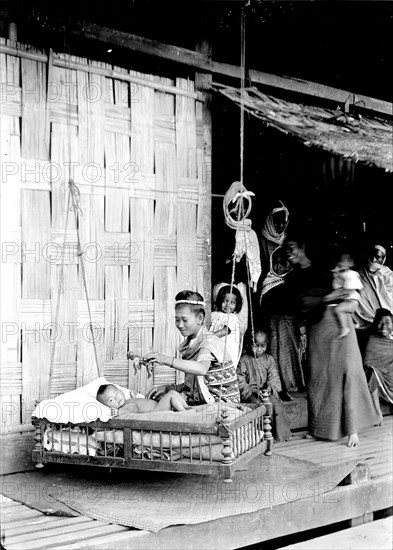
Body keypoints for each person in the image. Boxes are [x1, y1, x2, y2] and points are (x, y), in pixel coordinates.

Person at [285, 232, 380, 447]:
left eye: (292, 247)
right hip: (317, 329)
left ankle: (351, 429)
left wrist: (330, 298)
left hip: (338, 325)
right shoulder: (294, 277)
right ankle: (319, 428)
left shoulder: (322, 268)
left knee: (346, 372)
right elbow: (302, 304)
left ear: (302, 247)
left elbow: (343, 292)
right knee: (319, 378)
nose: (289, 253)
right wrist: (328, 297)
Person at [145, 290, 240, 404]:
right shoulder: (192, 343)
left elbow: (202, 369)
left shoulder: (208, 342)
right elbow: (197, 385)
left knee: (169, 402)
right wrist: (169, 387)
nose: (180, 325)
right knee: (164, 398)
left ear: (200, 318)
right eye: (177, 319)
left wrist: (165, 359)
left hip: (223, 406)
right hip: (206, 399)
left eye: (184, 320)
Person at [259, 246, 305, 400]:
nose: (278, 266)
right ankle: (277, 387)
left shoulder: (293, 281)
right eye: (276, 263)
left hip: (289, 324)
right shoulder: (267, 281)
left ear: (289, 264)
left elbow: (298, 306)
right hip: (271, 324)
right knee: (273, 355)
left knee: (289, 355)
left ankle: (292, 386)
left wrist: (301, 326)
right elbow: (263, 306)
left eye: (283, 263)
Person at [237, 329, 292, 442]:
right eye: (256, 345)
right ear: (249, 344)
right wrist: (253, 390)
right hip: (250, 393)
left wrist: (269, 388)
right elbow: (240, 381)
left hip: (266, 391)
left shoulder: (269, 359)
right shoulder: (244, 360)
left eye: (263, 346)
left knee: (276, 405)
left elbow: (274, 376)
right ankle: (260, 435)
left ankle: (281, 434)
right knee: (259, 406)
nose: (259, 349)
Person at [354, 244, 393, 355]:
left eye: (378, 257)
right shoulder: (359, 275)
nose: (374, 259)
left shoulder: (389, 276)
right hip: (367, 327)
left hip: (389, 327)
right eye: (372, 256)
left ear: (383, 259)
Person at [363, 308, 393, 426]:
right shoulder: (373, 339)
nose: (383, 326)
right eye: (380, 322)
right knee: (370, 372)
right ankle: (377, 411)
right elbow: (368, 363)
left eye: (387, 322)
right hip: (379, 377)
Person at [96, 383, 192, 416]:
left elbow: (137, 403)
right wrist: (117, 412)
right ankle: (183, 412)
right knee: (171, 394)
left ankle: (186, 407)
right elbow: (131, 408)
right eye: (111, 400)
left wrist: (134, 397)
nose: (116, 398)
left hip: (158, 405)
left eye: (117, 393)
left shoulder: (129, 400)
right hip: (156, 410)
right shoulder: (125, 407)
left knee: (174, 393)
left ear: (121, 391)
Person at [209, 284, 246, 368]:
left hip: (226, 351)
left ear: (237, 305)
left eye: (232, 302)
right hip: (215, 348)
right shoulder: (215, 315)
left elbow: (226, 330)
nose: (228, 305)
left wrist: (209, 336)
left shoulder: (232, 318)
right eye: (225, 301)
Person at [328, 253, 363, 339]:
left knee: (338, 309)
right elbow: (336, 286)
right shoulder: (342, 274)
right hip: (348, 300)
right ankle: (353, 323)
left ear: (350, 263)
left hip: (352, 301)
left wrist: (344, 291)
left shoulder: (351, 274)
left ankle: (344, 328)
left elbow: (355, 287)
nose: (341, 264)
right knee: (344, 311)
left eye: (344, 261)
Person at [259, 201, 290, 278]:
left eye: (283, 223)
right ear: (270, 221)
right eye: (277, 222)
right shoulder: (260, 241)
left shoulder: (287, 240)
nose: (280, 226)